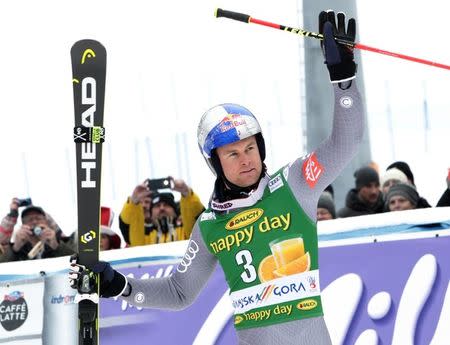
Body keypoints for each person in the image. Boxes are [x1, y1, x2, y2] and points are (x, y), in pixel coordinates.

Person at [70, 10, 363, 344]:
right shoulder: (209, 226)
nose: (246, 160)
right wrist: (119, 287)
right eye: (233, 154)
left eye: (250, 148)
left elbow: (346, 141)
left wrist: (343, 80)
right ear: (216, 163)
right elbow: (179, 292)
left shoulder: (295, 183)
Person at [119, 177, 204, 246]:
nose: (162, 208)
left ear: (175, 211)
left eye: (167, 205)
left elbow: (197, 216)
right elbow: (127, 224)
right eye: (157, 206)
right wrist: (133, 201)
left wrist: (187, 193)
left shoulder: (187, 232)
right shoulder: (144, 238)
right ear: (151, 213)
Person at [1, 205, 75, 262]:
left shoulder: (59, 243)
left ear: (46, 222)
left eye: (38, 218)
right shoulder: (19, 249)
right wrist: (15, 248)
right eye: (29, 219)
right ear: (23, 225)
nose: (34, 222)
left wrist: (57, 247)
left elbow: (76, 263)